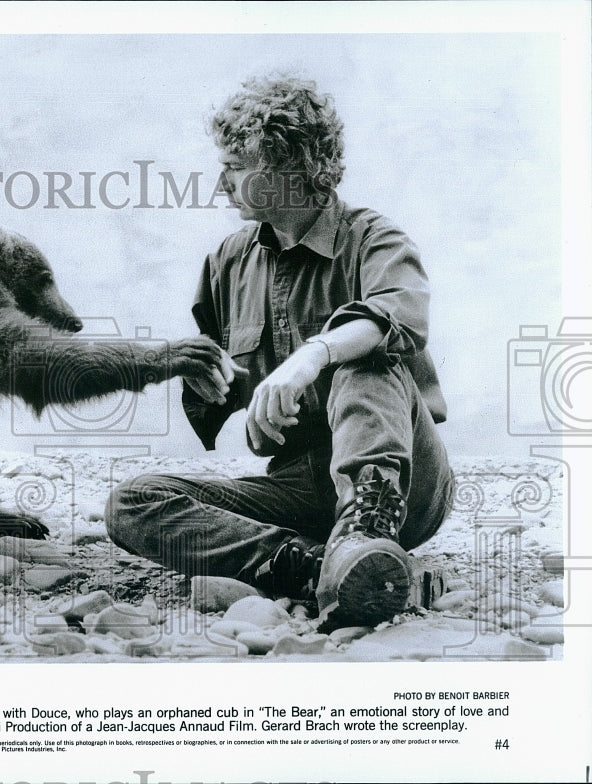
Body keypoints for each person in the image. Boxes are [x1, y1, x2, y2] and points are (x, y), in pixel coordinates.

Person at [105, 74, 455, 627]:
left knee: (363, 354)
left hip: (403, 486)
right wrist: (241, 411)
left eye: (235, 165)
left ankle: (368, 535)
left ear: (287, 164)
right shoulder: (228, 261)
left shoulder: (375, 238)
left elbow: (399, 318)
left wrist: (312, 354)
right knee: (133, 502)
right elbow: (229, 403)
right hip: (301, 487)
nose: (220, 181)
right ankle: (315, 568)